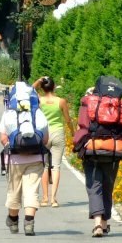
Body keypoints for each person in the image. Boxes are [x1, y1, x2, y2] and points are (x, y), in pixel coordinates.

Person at [72, 76, 122, 237]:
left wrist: (79, 145)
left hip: (92, 149)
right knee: (108, 186)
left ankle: (97, 224)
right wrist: (120, 142)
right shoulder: (121, 105)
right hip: (113, 151)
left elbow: (82, 127)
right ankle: (105, 224)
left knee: (94, 186)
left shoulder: (89, 103)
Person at [0, 81, 50, 236]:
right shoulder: (38, 113)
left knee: (14, 190)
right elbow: (45, 139)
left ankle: (13, 220)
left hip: (14, 160)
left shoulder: (9, 113)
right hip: (35, 158)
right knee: (32, 190)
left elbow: (3, 138)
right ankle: (29, 223)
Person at [33, 76, 72, 207]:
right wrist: (73, 132)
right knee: (56, 166)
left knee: (44, 166)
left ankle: (44, 198)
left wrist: (39, 80)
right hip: (58, 133)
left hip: (44, 132)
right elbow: (67, 120)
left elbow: (30, 90)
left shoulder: (39, 100)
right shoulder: (61, 101)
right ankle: (53, 199)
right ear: (54, 87)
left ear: (43, 88)